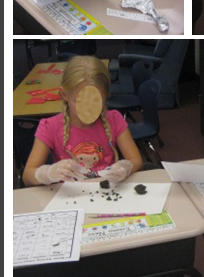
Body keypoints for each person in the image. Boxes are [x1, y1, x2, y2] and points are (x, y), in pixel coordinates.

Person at [22, 56, 143, 187]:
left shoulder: (114, 119)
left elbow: (136, 160)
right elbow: (27, 175)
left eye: (96, 102)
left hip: (107, 193)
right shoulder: (49, 127)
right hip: (69, 196)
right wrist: (48, 173)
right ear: (64, 95)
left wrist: (125, 167)